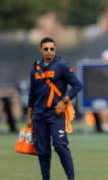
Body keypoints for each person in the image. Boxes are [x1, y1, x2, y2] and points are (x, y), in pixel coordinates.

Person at [27, 37, 83, 180]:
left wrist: (64, 101)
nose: (49, 52)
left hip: (55, 114)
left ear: (55, 49)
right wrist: (29, 117)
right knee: (43, 150)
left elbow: (77, 85)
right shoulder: (35, 68)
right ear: (40, 50)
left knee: (60, 146)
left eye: (52, 49)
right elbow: (32, 94)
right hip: (38, 115)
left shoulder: (61, 65)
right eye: (46, 49)